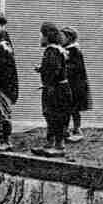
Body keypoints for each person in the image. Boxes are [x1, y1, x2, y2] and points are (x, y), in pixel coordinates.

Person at [31, 22, 73, 158]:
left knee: (56, 117)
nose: (40, 39)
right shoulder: (55, 50)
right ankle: (50, 144)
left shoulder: (52, 50)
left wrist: (48, 84)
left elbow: (55, 70)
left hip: (56, 90)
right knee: (50, 116)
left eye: (41, 36)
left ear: (47, 37)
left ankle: (59, 146)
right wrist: (42, 69)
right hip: (56, 88)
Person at [61, 27, 91, 143]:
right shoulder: (66, 49)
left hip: (75, 84)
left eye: (62, 37)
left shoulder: (74, 50)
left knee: (73, 108)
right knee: (69, 108)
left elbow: (76, 67)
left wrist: (63, 66)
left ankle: (76, 129)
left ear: (69, 38)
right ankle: (67, 130)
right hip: (70, 83)